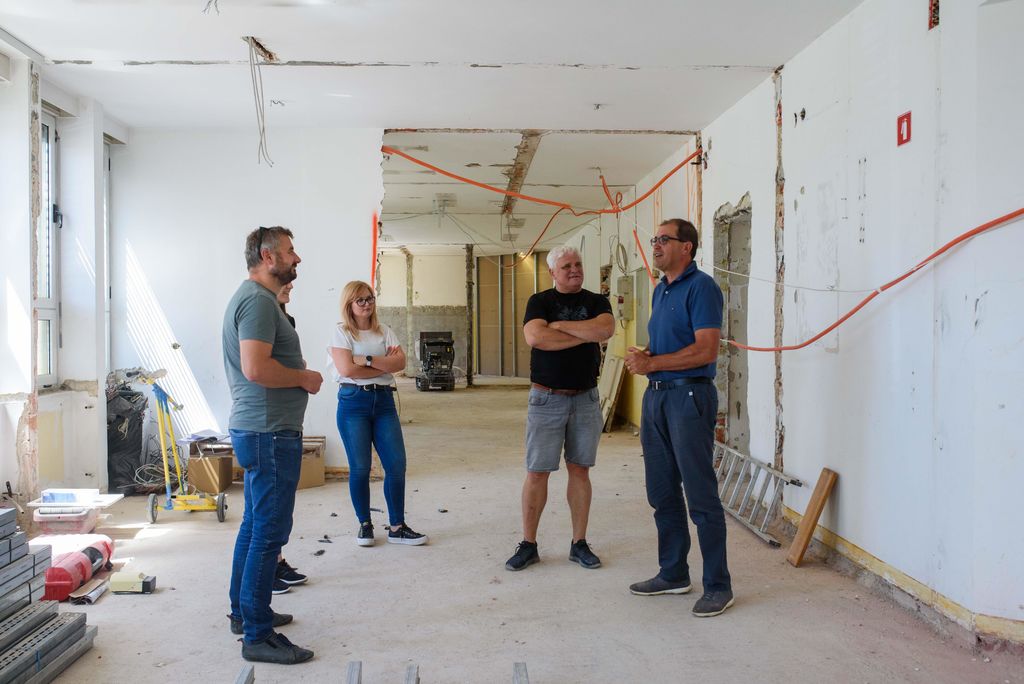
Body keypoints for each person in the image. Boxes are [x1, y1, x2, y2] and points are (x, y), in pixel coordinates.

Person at [624, 218, 734, 618]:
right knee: (662, 492)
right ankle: (673, 573)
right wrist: (647, 356)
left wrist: (654, 363)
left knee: (700, 496)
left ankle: (718, 586)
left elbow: (706, 350)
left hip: (689, 396)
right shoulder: (660, 290)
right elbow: (668, 344)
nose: (655, 245)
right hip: (657, 398)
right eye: (654, 239)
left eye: (663, 239)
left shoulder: (702, 287)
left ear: (686, 247)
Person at [223, 226, 323, 664]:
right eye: (289, 251)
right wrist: (304, 377)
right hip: (269, 433)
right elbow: (256, 369)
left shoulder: (257, 300)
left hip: (264, 430)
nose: (296, 258)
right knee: (268, 533)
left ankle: (245, 614)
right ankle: (258, 636)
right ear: (268, 256)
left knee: (254, 527)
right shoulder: (259, 301)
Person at [505, 246, 614, 572]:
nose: (574, 270)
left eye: (578, 264)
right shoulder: (539, 302)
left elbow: (604, 330)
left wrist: (559, 327)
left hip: (586, 398)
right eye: (566, 266)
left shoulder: (597, 301)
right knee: (537, 472)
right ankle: (529, 544)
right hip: (546, 398)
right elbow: (536, 338)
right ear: (553, 272)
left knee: (580, 470)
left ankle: (579, 544)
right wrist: (583, 333)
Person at [328, 280, 428, 547]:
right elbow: (346, 370)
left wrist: (367, 360)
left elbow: (400, 362)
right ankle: (365, 524)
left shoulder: (385, 331)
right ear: (349, 304)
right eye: (360, 300)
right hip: (353, 403)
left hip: (384, 402)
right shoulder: (342, 333)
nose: (367, 304)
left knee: (396, 465)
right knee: (360, 467)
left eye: (370, 298)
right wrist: (384, 365)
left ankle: (397, 527)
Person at [271, 281, 308, 595]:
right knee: (270, 508)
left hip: (289, 422)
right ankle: (267, 570)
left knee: (283, 504)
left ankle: (277, 559)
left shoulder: (286, 319)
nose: (290, 285)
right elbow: (262, 366)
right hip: (271, 425)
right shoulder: (261, 315)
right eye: (284, 282)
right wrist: (301, 374)